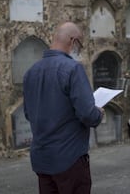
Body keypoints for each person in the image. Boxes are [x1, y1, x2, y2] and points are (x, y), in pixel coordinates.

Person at [23, 22, 104, 194]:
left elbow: (28, 114)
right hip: (69, 159)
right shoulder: (73, 69)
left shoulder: (31, 72)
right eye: (80, 45)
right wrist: (98, 113)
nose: (79, 50)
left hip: (41, 159)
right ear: (73, 41)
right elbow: (88, 115)